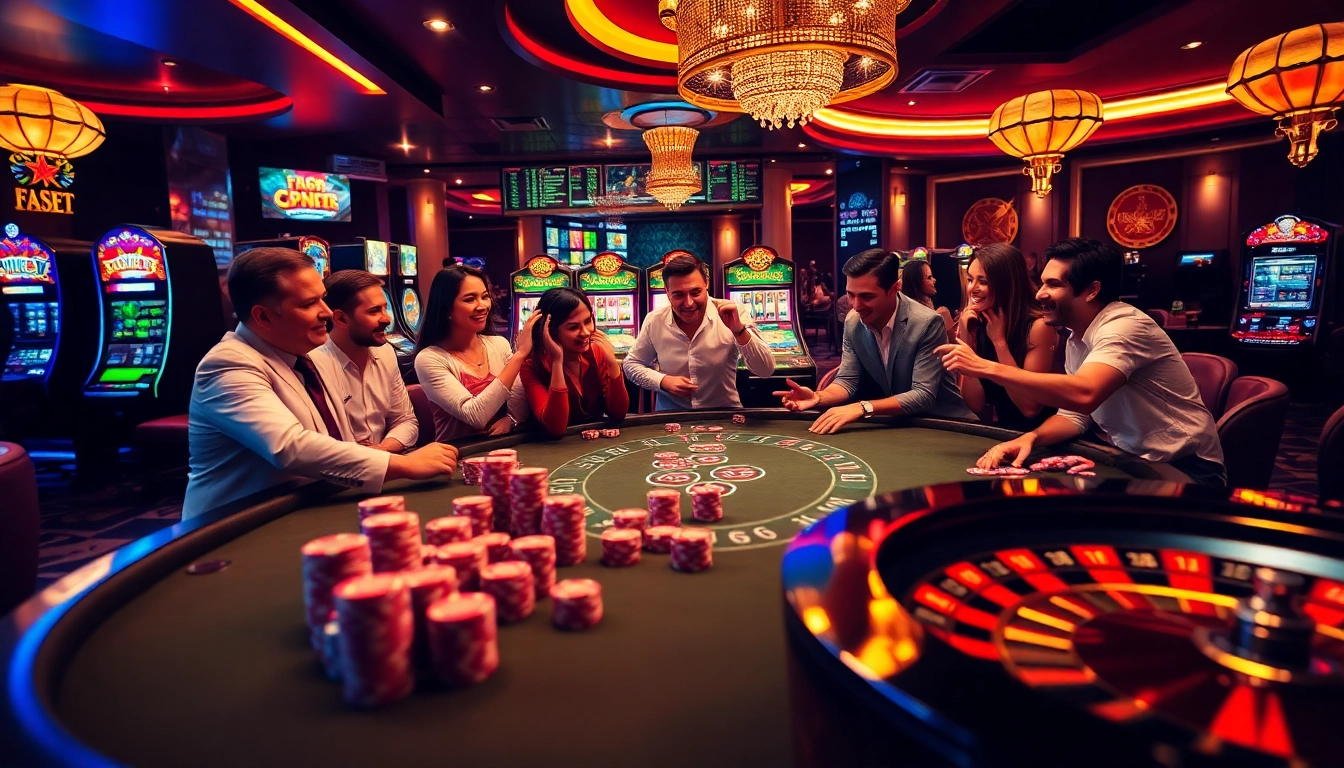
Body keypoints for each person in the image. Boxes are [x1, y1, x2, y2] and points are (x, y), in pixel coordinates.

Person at [184, 248, 457, 520]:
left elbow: (336, 442)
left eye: (323, 300)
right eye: (308, 304)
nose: (327, 313)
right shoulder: (228, 364)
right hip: (231, 527)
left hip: (299, 508)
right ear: (263, 317)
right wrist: (404, 464)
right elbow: (289, 447)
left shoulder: (300, 356)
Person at [938, 238, 1225, 485]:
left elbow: (1085, 393)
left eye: (1053, 284)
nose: (1039, 293)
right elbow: (1075, 415)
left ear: (1091, 290)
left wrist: (983, 365)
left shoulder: (1125, 326)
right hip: (1127, 457)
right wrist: (1031, 438)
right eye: (1043, 282)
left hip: (1190, 469)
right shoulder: (1077, 337)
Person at [776, 249, 975, 433]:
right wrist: (818, 397)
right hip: (898, 424)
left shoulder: (927, 323)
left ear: (894, 288)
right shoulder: (853, 321)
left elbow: (923, 395)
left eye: (867, 297)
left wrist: (862, 407)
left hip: (945, 425)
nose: (856, 305)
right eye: (850, 295)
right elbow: (848, 380)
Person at [623, 253, 774, 411]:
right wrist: (663, 381)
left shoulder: (734, 312)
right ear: (666, 292)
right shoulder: (655, 320)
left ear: (706, 284)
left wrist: (739, 331)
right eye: (678, 295)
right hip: (671, 417)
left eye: (695, 292)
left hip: (723, 415)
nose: (688, 303)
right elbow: (631, 364)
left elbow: (765, 370)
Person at [413, 264, 531, 442]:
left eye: (485, 297)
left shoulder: (498, 345)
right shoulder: (430, 358)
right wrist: (520, 355)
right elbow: (475, 415)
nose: (482, 306)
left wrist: (512, 419)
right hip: (456, 455)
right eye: (470, 300)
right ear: (446, 308)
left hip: (501, 446)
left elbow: (518, 389)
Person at [951, 244, 1058, 431]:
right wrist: (967, 342)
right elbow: (975, 404)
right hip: (1001, 432)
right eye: (970, 280)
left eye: (983, 281)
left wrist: (999, 343)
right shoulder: (980, 321)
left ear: (1006, 284)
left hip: (1043, 436)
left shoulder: (1038, 327)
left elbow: (1030, 407)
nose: (972, 289)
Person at [310, 269, 418, 452]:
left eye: (385, 308)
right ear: (341, 318)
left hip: (385, 462)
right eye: (374, 311)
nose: (387, 318)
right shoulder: (313, 364)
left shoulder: (386, 352)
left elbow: (406, 420)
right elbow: (319, 442)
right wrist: (369, 457)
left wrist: (382, 450)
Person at [520, 287, 629, 437]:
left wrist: (612, 363)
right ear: (550, 330)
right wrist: (557, 362)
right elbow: (555, 427)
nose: (585, 332)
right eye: (573, 327)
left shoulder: (596, 352)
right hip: (550, 451)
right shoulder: (531, 366)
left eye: (588, 321)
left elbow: (618, 413)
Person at [901, 258, 955, 341]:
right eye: (929, 278)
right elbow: (953, 344)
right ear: (917, 283)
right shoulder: (938, 314)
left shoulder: (906, 308)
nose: (934, 280)